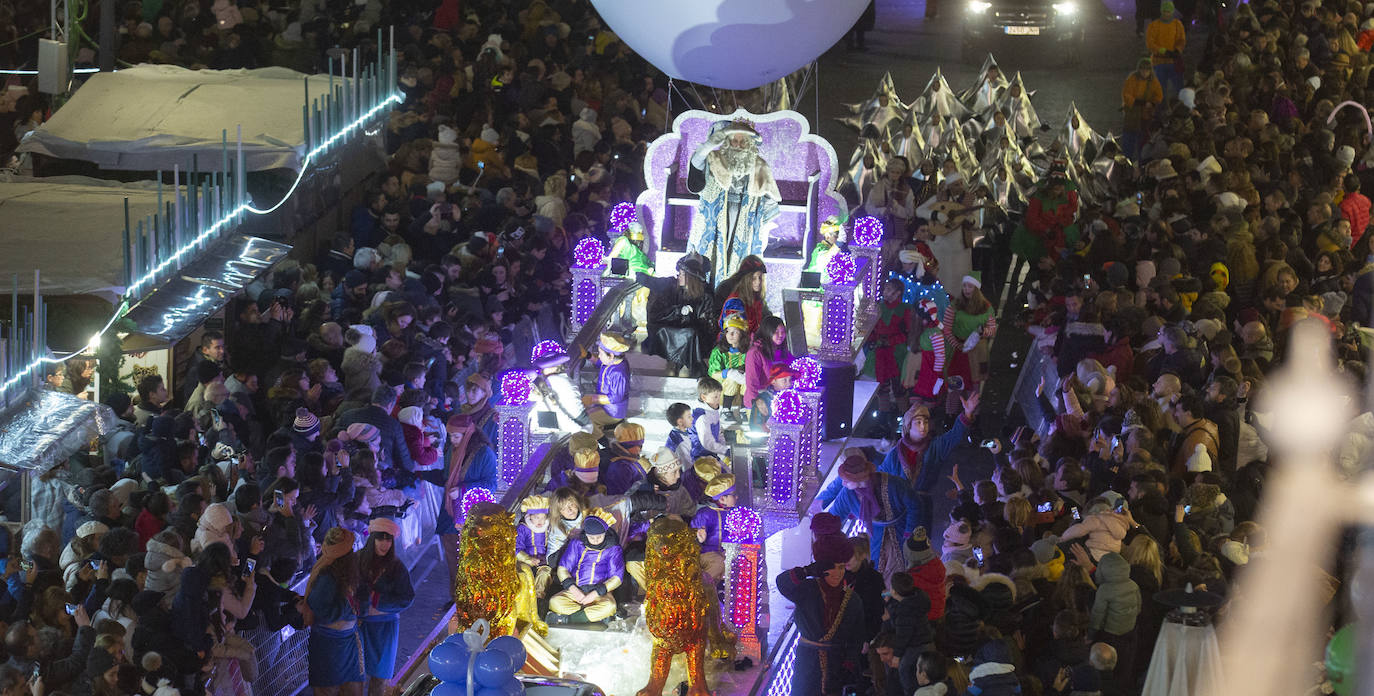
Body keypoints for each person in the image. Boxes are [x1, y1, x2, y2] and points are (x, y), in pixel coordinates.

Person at [686, 118, 781, 284]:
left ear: (750, 143)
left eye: (743, 141)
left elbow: (770, 199)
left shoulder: (760, 166)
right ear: (728, 142)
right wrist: (710, 144)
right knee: (712, 259)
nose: (738, 145)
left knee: (740, 264)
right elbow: (696, 163)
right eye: (734, 140)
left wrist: (762, 227)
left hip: (744, 224)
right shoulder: (714, 158)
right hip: (715, 221)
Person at [776, 532, 866, 696]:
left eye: (841, 567)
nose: (837, 573)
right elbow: (782, 583)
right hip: (807, 660)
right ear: (821, 569)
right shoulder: (808, 589)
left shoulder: (853, 600)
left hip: (836, 663)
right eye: (831, 568)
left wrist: (848, 663)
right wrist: (806, 571)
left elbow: (857, 636)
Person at [817, 455, 919, 581]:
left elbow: (915, 505)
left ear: (860, 479)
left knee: (904, 564)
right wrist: (824, 538)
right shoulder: (848, 493)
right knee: (877, 565)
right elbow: (834, 518)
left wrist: (909, 532)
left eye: (847, 480)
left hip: (901, 529)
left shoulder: (894, 484)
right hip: (875, 534)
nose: (843, 483)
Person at [356, 517, 414, 696]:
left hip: (385, 627)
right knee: (355, 675)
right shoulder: (356, 560)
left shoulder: (396, 566)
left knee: (380, 676)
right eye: (380, 538)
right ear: (372, 538)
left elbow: (406, 598)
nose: (384, 544)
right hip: (358, 625)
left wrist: (377, 600)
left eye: (388, 539)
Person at [306, 527, 364, 696]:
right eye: (350, 550)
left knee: (353, 690)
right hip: (328, 646)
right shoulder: (326, 576)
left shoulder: (352, 571)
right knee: (327, 690)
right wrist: (347, 607)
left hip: (350, 641)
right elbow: (320, 609)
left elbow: (362, 595)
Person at [639, 254, 715, 377]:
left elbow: (709, 325)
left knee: (691, 334)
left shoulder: (705, 296)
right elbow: (657, 314)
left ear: (691, 277)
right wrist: (678, 311)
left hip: (693, 335)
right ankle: (679, 364)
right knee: (679, 333)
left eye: (682, 274)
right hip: (670, 329)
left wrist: (691, 319)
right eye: (679, 273)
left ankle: (686, 365)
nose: (678, 276)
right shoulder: (671, 289)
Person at [547, 515, 624, 626]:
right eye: (592, 537)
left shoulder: (613, 549)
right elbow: (563, 568)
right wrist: (573, 589)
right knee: (555, 602)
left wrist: (595, 593)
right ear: (586, 535)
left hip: (600, 593)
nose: (596, 540)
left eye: (599, 537)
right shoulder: (576, 544)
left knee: (610, 606)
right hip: (577, 589)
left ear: (605, 534)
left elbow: (617, 577)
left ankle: (569, 620)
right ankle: (593, 617)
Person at [941, 272, 996, 416]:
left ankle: (973, 416)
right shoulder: (955, 306)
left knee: (974, 387)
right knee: (955, 386)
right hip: (958, 353)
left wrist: (984, 332)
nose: (966, 289)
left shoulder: (986, 307)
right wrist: (956, 344)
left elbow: (992, 328)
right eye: (964, 286)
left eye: (970, 286)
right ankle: (950, 415)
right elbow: (946, 328)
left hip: (977, 352)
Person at [691, 473, 738, 582]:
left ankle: (719, 590)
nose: (737, 497)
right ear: (722, 499)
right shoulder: (704, 514)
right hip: (706, 553)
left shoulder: (732, 513)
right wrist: (698, 539)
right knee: (719, 563)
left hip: (724, 551)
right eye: (733, 495)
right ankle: (701, 588)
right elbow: (693, 536)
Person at [583, 332, 631, 429]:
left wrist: (592, 399)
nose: (599, 356)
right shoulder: (612, 362)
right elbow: (600, 363)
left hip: (613, 412)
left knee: (586, 420)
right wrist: (588, 356)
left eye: (600, 353)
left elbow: (616, 398)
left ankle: (601, 440)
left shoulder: (618, 373)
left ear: (611, 356)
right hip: (604, 407)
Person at [745, 316, 794, 407]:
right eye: (776, 332)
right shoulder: (755, 353)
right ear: (767, 332)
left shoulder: (782, 350)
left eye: (783, 332)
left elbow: (794, 367)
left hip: (780, 397)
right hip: (761, 400)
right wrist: (757, 405)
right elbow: (752, 382)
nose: (781, 335)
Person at [709, 314, 752, 419]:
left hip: (743, 391)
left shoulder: (749, 351)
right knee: (732, 378)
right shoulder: (719, 351)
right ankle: (726, 409)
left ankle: (743, 409)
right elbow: (713, 373)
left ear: (742, 334)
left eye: (735, 332)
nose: (731, 335)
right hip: (723, 389)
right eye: (728, 331)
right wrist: (728, 373)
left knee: (748, 379)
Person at [1121, 57, 1163, 160]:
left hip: (1145, 116)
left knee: (1142, 139)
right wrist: (1142, 103)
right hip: (1133, 115)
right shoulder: (1132, 79)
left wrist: (1152, 104)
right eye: (1142, 70)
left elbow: (1159, 96)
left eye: (1147, 70)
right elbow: (1126, 94)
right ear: (1139, 70)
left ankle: (1142, 159)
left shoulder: (1154, 82)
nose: (1144, 72)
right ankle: (1127, 159)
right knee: (1129, 138)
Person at [717, 255, 770, 335]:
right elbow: (734, 335)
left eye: (760, 277)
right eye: (754, 278)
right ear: (747, 279)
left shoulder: (758, 299)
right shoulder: (735, 302)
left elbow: (767, 319)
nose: (758, 282)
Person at [1146, 1, 1186, 98]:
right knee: (1160, 89)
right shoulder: (1154, 25)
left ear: (1172, 12)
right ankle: (1161, 108)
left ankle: (1178, 107)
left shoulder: (1177, 24)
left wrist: (1177, 50)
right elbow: (1150, 43)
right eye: (1164, 11)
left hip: (1173, 61)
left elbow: (1181, 40)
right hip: (1159, 62)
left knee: (1179, 87)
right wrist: (1163, 51)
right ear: (1161, 11)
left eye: (1168, 11)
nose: (1166, 14)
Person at [688, 378, 731, 463]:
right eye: (715, 397)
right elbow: (707, 442)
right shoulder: (702, 417)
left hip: (712, 454)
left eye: (719, 396)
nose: (718, 399)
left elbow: (718, 433)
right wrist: (725, 451)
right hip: (701, 459)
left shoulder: (713, 410)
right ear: (704, 397)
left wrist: (724, 446)